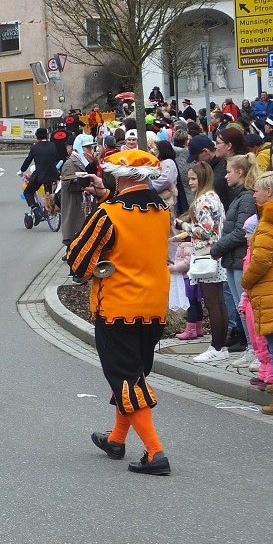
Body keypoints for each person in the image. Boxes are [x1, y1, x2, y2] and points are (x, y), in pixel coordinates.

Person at [66, 149, 172, 475]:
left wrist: (97, 268)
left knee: (125, 377)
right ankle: (116, 439)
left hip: (118, 307)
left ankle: (155, 453)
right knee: (132, 374)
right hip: (154, 306)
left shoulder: (108, 213)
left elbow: (79, 262)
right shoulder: (162, 210)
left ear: (120, 174)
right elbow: (135, 213)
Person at [178, 161, 228, 362]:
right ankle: (220, 346)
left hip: (207, 255)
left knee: (212, 303)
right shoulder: (213, 197)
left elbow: (205, 230)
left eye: (193, 178)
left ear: (203, 178)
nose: (189, 182)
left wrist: (183, 225)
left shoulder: (203, 200)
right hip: (217, 252)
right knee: (218, 302)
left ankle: (216, 347)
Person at [210, 154, 257, 365]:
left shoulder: (245, 198)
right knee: (241, 307)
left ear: (239, 173)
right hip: (232, 259)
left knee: (246, 307)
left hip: (238, 260)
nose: (225, 176)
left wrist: (218, 247)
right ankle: (251, 348)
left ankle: (255, 350)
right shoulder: (240, 197)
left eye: (228, 171)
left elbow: (240, 231)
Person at [242, 171, 273, 414]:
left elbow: (261, 261)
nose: (254, 194)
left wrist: (247, 281)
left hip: (271, 290)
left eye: (257, 190)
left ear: (268, 192)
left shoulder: (268, 222)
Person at [61, 133, 98, 247]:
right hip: (75, 204)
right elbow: (68, 184)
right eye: (88, 147)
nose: (91, 150)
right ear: (79, 147)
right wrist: (84, 184)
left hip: (85, 203)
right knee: (75, 231)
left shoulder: (86, 162)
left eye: (92, 147)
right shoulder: (70, 163)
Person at [19, 127, 60, 226]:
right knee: (50, 193)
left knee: (28, 192)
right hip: (53, 175)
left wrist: (22, 170)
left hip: (40, 175)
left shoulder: (35, 147)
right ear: (47, 135)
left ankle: (36, 210)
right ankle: (53, 209)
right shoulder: (52, 145)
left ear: (37, 137)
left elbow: (28, 160)